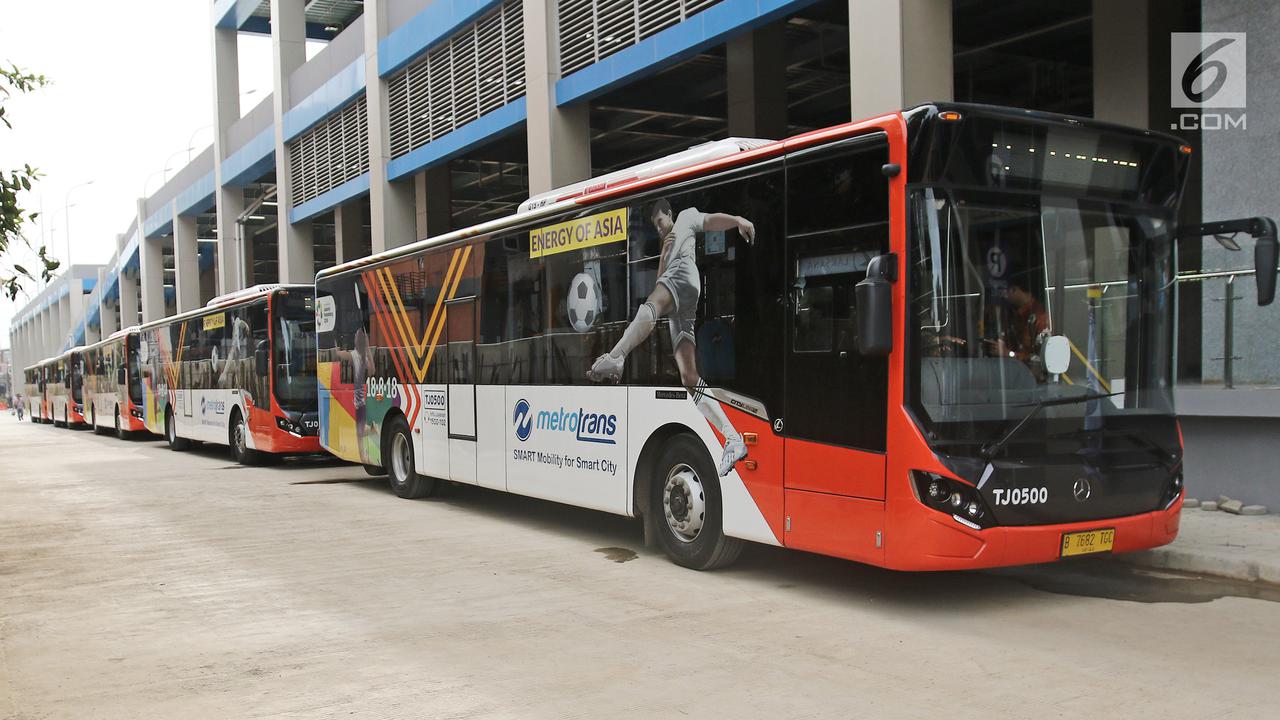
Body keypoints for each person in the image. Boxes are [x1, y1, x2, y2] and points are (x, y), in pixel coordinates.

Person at [587, 199, 756, 476]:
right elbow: (659, 284)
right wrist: (663, 258)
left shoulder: (686, 218)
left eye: (660, 221)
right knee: (689, 377)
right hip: (683, 302)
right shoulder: (667, 243)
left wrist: (737, 219)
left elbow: (711, 220)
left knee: (649, 308)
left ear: (669, 213)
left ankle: (616, 357)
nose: (659, 228)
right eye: (655, 226)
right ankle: (733, 438)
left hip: (684, 277)